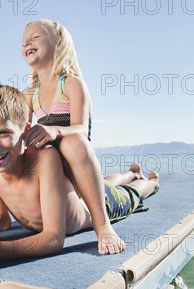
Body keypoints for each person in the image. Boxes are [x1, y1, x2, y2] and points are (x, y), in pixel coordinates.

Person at [0, 85, 160, 270]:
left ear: (25, 130)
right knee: (105, 182)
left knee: (130, 193)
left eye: (4, 134)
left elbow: (54, 238)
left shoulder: (44, 158)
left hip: (101, 205)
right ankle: (127, 173)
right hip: (80, 194)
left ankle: (147, 181)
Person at [16, 19, 126, 252]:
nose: (27, 42)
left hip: (80, 171)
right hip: (62, 177)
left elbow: (81, 129)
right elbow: (20, 136)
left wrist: (55, 130)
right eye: (24, 41)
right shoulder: (29, 93)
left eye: (35, 37)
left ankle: (112, 216)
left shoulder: (72, 84)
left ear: (57, 42)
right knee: (110, 183)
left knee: (127, 194)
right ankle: (129, 174)